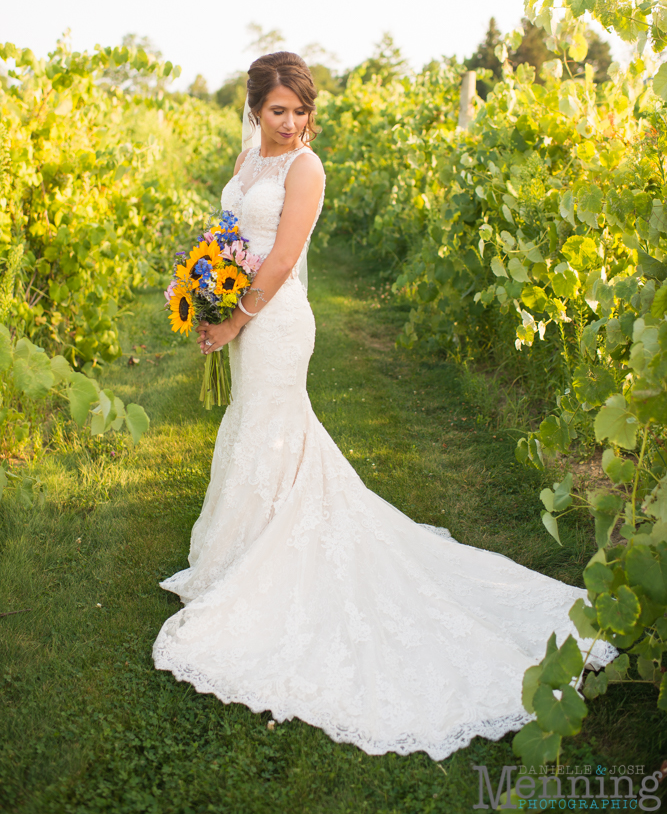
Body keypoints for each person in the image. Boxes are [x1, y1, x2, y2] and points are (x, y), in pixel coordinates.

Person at [153, 52, 614, 761]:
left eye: (300, 110)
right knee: (256, 427)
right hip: (244, 311)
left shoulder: (307, 168)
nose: (291, 123)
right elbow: (236, 240)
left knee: (271, 428)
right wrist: (200, 289)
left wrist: (235, 317)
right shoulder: (249, 163)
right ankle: (242, 553)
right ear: (254, 110)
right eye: (278, 111)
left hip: (274, 320)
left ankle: (269, 564)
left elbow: (280, 259)